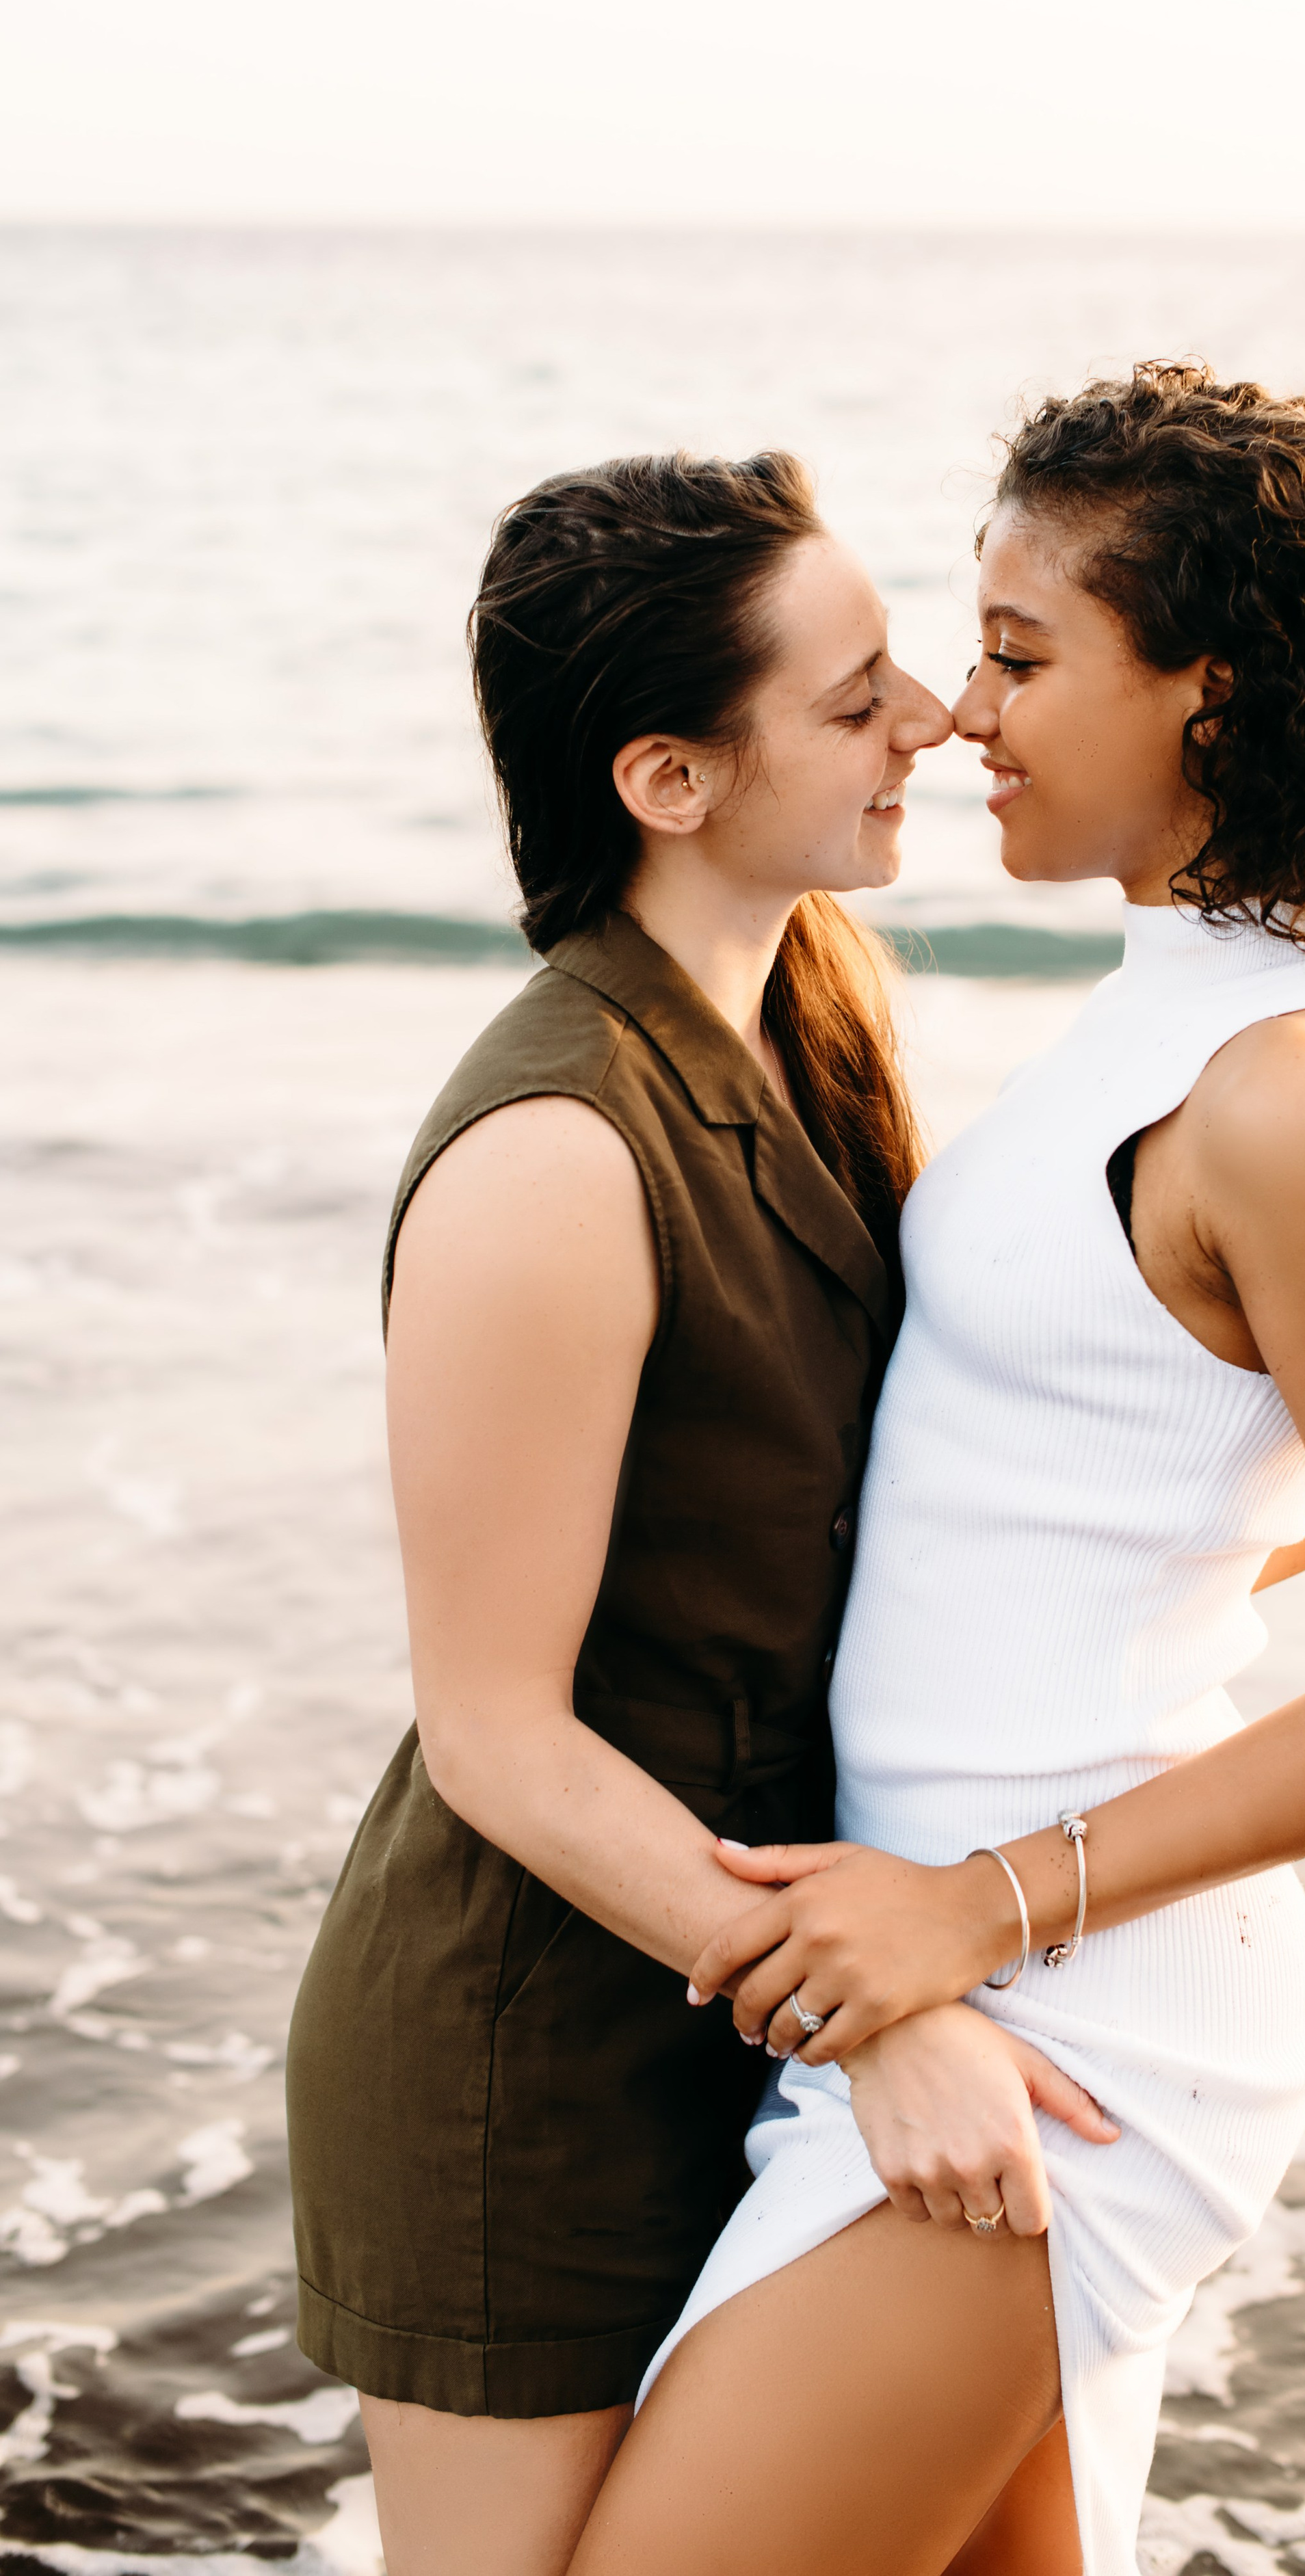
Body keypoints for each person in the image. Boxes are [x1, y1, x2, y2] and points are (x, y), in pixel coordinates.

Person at [569, 365, 1305, 2576]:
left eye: (1021, 658)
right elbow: (1242, 1473)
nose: (959, 714)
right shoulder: (1160, 1009)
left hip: (1071, 2007)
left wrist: (977, 1906)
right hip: (934, 1975)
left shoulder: (1297, 1093)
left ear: (1214, 691)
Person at [282, 449, 1120, 2576]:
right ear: (669, 780)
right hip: (538, 2069)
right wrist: (888, 2014)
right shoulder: (553, 1155)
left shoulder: (820, 1012)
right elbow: (494, 1734)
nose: (932, 716)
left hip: (775, 1993)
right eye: (853, 700)